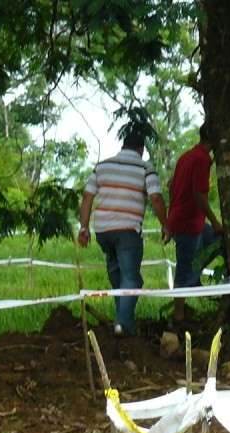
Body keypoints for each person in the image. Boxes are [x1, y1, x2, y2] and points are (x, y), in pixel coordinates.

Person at [77, 125, 169, 337]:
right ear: (141, 149)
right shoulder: (145, 167)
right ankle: (123, 323)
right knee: (132, 278)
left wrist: (84, 227)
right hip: (127, 229)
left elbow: (88, 196)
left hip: (102, 231)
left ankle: (123, 322)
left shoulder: (102, 166)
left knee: (117, 274)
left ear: (123, 146)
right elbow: (155, 197)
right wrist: (165, 224)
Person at [166, 124, 223, 324]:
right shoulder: (202, 159)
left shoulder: (186, 156)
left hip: (184, 219)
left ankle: (195, 276)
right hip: (188, 223)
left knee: (219, 241)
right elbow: (199, 196)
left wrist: (169, 221)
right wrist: (215, 221)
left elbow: (171, 187)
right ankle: (178, 315)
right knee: (184, 268)